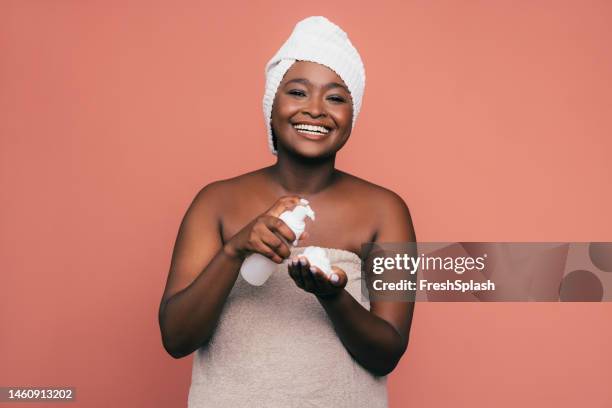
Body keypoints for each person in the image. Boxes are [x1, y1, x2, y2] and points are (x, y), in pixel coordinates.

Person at [158, 16, 416, 407]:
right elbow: (176, 339)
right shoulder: (216, 203)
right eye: (297, 92)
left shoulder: (385, 210)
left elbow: (387, 354)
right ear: (272, 104)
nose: (315, 110)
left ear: (353, 112)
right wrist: (235, 251)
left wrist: (333, 296)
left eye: (335, 97)